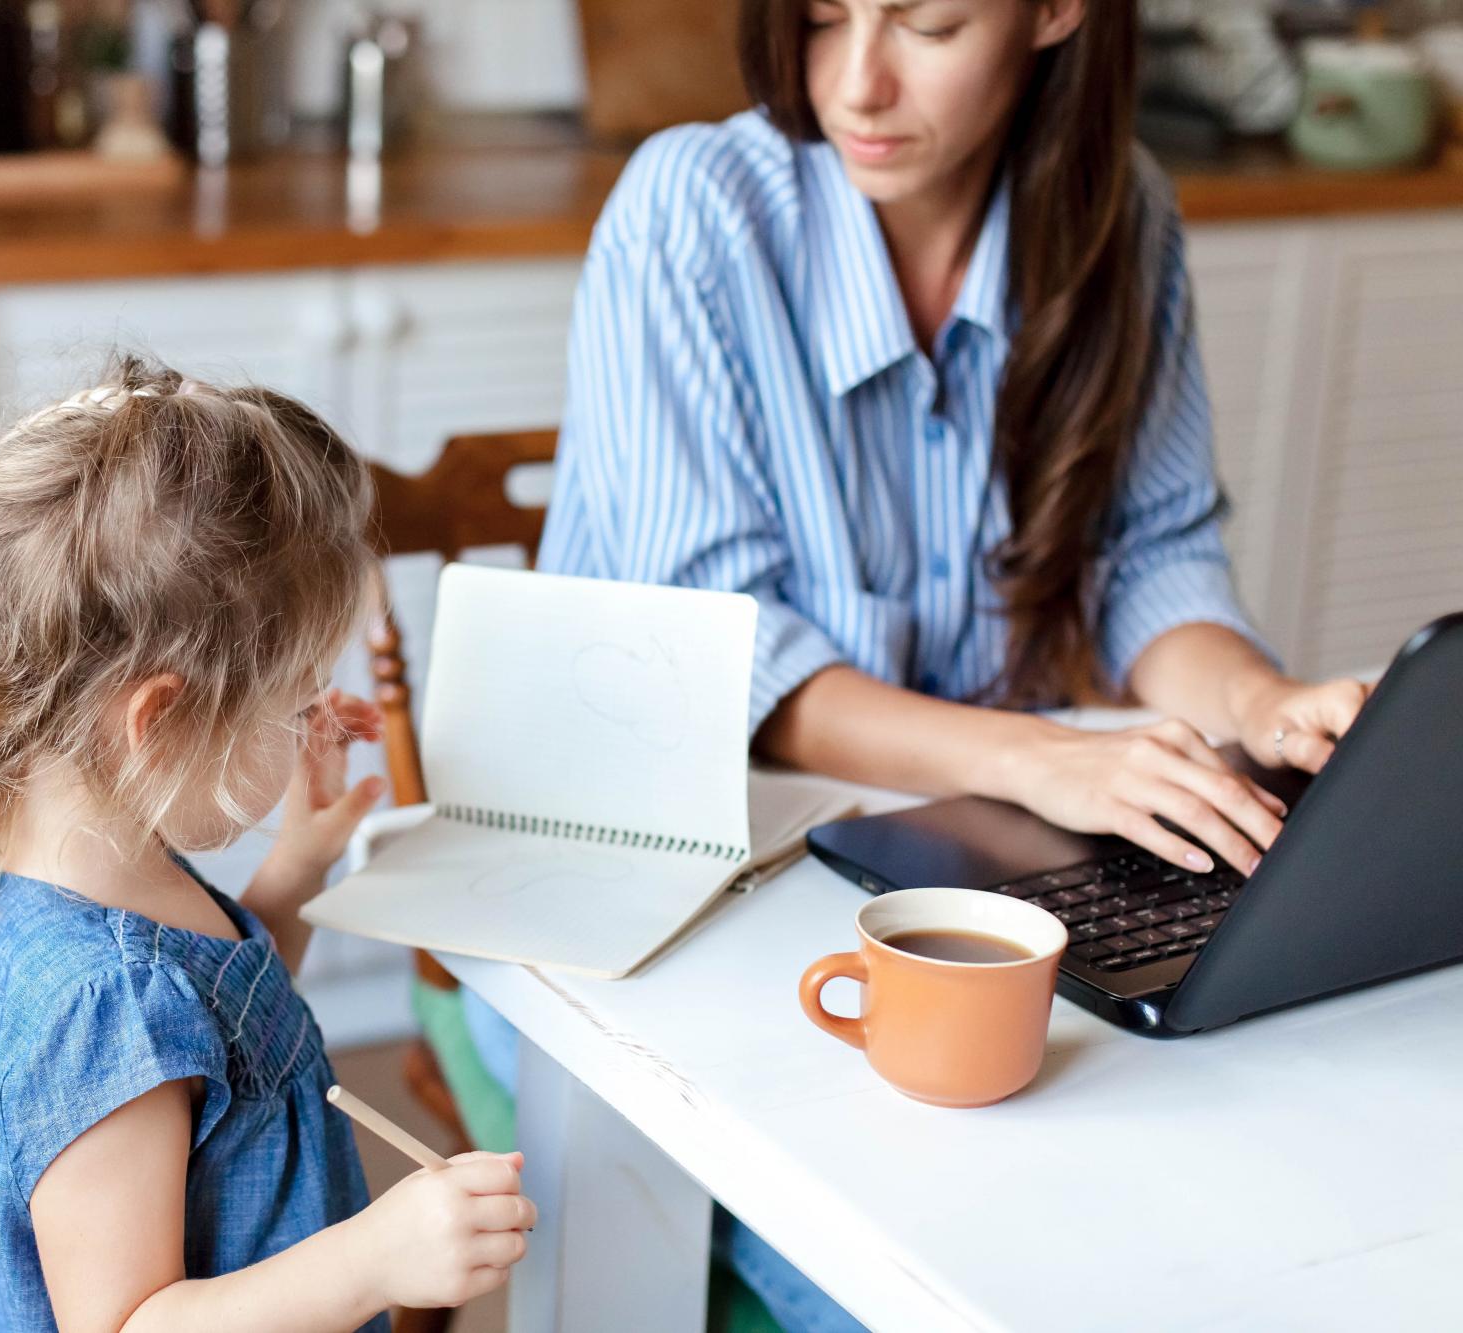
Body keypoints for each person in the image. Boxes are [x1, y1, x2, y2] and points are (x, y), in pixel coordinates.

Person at [467, 1, 1372, 1328]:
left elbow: (1155, 562)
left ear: (1057, 13)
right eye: (827, 18)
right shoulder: (694, 214)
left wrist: (1265, 702)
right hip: (632, 907)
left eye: (931, 22)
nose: (859, 82)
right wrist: (1041, 757)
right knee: (914, 1276)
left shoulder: (1123, 215)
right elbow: (730, 665)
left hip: (930, 879)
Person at [0, 359, 534, 1332]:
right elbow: (129, 1321)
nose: (312, 711)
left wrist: (297, 861)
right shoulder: (102, 999)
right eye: (293, 695)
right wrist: (371, 1259)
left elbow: (227, 1039)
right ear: (160, 721)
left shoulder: (99, 867)